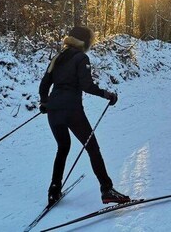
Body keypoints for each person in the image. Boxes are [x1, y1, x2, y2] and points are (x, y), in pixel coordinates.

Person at [39, 26, 130, 206]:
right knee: (92, 148)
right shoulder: (81, 57)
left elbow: (44, 84)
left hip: (54, 111)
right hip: (72, 111)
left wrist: (44, 103)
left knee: (63, 147)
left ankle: (53, 191)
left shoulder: (58, 57)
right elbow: (86, 85)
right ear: (85, 41)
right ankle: (107, 190)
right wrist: (107, 94)